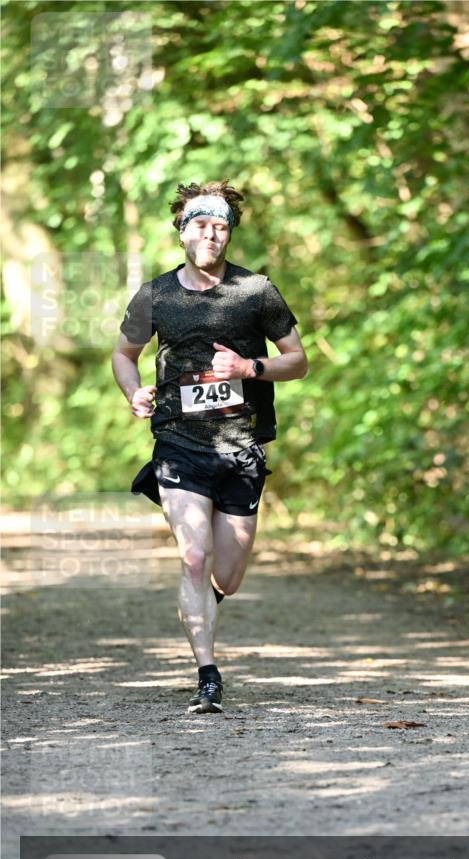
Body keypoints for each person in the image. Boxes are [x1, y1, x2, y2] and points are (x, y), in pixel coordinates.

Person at [112, 180, 308, 715]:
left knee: (228, 577)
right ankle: (208, 676)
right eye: (200, 225)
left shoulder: (256, 291)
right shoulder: (155, 296)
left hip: (241, 445)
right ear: (182, 231)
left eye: (221, 227)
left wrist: (250, 367)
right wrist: (134, 392)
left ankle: (203, 603)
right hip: (179, 442)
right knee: (194, 558)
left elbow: (298, 361)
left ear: (229, 234)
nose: (211, 235)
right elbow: (124, 354)